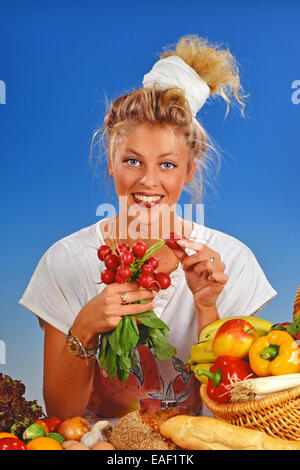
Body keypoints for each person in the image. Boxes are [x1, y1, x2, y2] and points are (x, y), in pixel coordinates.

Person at [18, 35, 277, 421]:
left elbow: (236, 416)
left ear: (190, 170)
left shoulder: (233, 263)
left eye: (168, 165)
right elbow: (62, 415)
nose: (148, 181)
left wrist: (208, 308)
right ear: (111, 162)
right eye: (133, 161)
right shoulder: (64, 261)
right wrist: (84, 329)